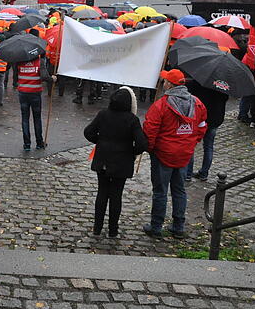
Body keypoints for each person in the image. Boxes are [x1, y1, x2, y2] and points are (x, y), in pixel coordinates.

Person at [142, 69, 207, 238]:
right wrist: (191, 143)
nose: (163, 83)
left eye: (165, 81)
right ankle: (178, 227)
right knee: (179, 191)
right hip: (184, 154)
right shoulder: (197, 103)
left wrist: (150, 148)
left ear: (170, 84)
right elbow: (201, 127)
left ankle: (156, 227)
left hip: (163, 155)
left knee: (160, 191)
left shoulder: (161, 105)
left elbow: (150, 130)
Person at [84, 86, 147, 237]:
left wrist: (100, 142)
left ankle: (97, 228)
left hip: (103, 160)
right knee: (116, 196)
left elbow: (88, 132)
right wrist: (131, 152)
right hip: (122, 163)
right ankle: (113, 230)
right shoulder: (132, 119)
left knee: (102, 193)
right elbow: (142, 144)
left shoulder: (103, 114)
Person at [185, 80, 228, 182]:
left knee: (190, 145)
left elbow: (190, 92)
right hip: (215, 118)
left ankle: (188, 174)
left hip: (200, 118)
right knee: (208, 147)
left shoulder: (200, 82)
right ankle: (204, 173)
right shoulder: (223, 86)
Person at [14, 38, 53, 151]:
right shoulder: (39, 62)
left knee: (25, 119)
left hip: (23, 93)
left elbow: (16, 77)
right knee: (37, 118)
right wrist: (53, 79)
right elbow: (45, 77)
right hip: (35, 93)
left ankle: (27, 144)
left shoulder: (19, 62)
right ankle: (39, 143)